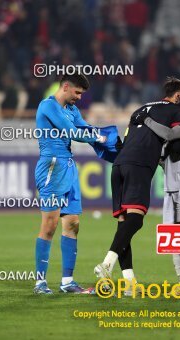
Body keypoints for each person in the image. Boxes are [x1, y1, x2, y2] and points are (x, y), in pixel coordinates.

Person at [94, 78, 180, 295]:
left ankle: (129, 283)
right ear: (178, 95)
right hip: (140, 165)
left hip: (119, 166)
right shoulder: (176, 112)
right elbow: (174, 139)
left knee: (123, 226)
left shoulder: (140, 109)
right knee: (135, 220)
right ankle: (106, 264)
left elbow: (127, 137)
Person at [33, 74, 117, 294]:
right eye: (77, 93)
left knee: (72, 223)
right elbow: (71, 132)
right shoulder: (47, 106)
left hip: (68, 167)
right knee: (49, 225)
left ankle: (67, 282)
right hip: (51, 166)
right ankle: (40, 282)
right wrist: (99, 139)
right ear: (66, 87)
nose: (79, 97)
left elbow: (84, 128)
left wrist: (109, 138)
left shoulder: (72, 110)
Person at [138, 82, 180, 293]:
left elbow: (168, 137)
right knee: (172, 235)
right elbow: (163, 150)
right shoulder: (175, 118)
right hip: (171, 185)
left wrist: (147, 120)